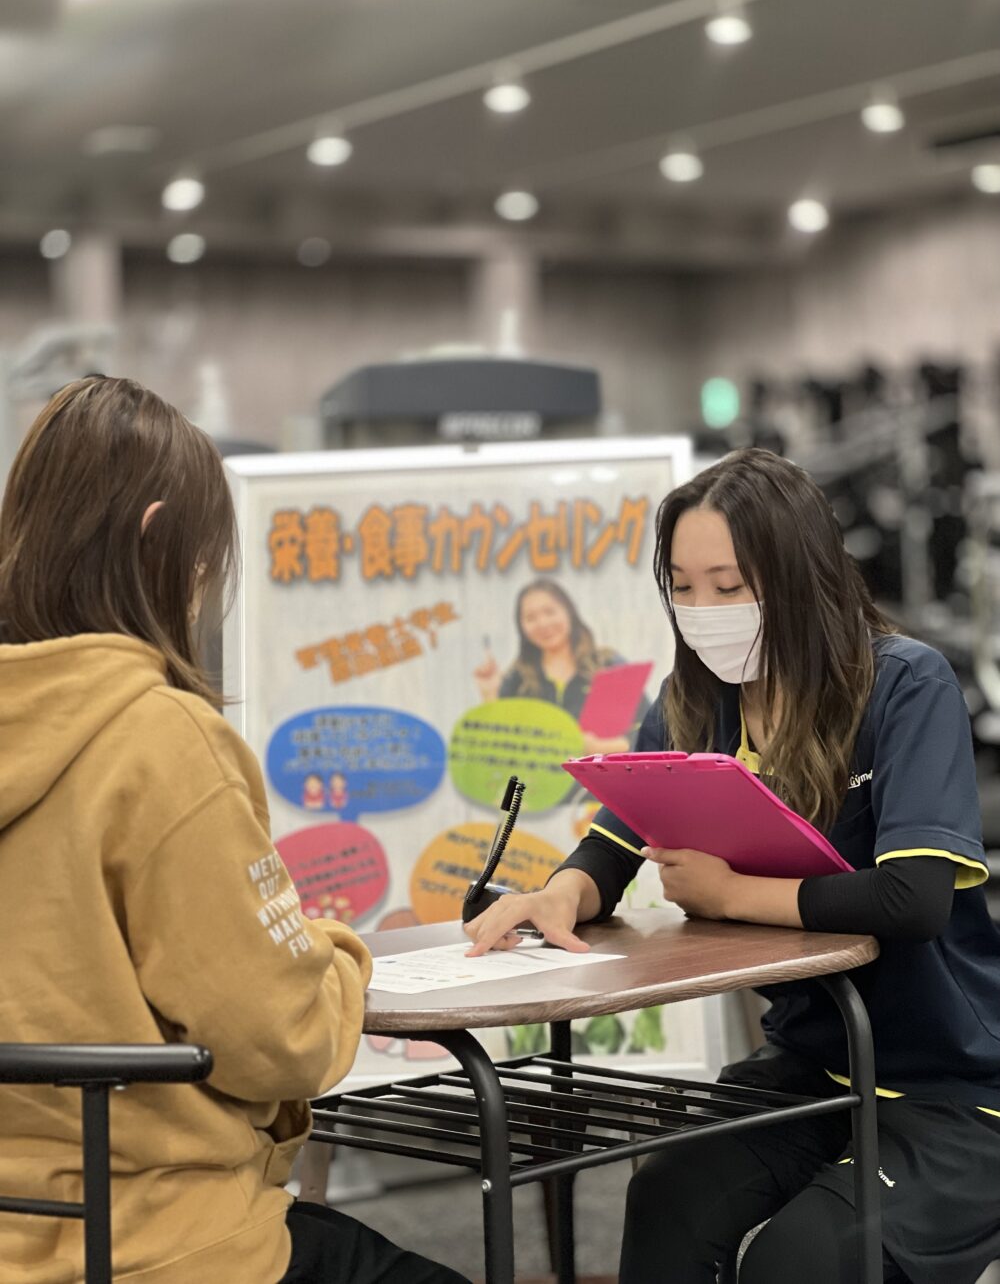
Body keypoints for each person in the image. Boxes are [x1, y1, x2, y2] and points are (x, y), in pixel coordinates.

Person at [464, 446, 1000, 1284]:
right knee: (668, 1195)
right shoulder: (693, 701)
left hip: (955, 1085)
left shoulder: (903, 684)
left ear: (798, 576)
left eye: (730, 584)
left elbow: (914, 898)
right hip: (811, 1062)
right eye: (682, 584)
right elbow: (618, 836)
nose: (702, 608)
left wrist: (732, 894)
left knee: (805, 1258)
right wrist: (561, 892)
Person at [0, 377, 469, 1284]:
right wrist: (336, 952)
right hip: (165, 1243)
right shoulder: (162, 740)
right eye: (206, 557)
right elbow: (280, 1036)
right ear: (155, 538)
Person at [472, 577, 648, 753]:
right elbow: (501, 746)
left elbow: (649, 731)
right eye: (530, 618)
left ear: (569, 612)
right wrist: (490, 694)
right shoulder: (517, 679)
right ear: (521, 626)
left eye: (549, 612)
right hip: (535, 781)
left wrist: (602, 748)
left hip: (599, 779)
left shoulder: (608, 665)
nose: (543, 623)